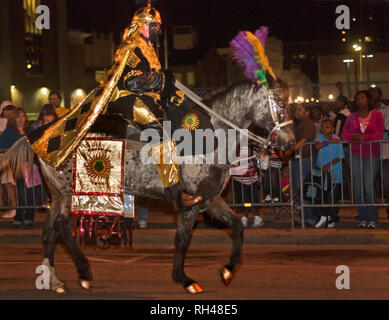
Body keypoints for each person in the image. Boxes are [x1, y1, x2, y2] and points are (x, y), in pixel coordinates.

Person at [342, 90, 384, 229]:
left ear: (368, 100)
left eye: (362, 98)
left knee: (368, 185)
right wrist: (353, 138)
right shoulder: (351, 117)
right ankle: (363, 216)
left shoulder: (377, 115)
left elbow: (379, 133)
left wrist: (364, 138)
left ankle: (372, 217)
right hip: (354, 153)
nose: (360, 100)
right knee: (357, 186)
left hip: (372, 154)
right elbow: (345, 134)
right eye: (357, 98)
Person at [285, 102, 317, 226]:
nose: (297, 112)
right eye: (296, 110)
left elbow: (304, 140)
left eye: (300, 110)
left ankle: (310, 217)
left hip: (305, 159)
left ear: (307, 112)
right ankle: (304, 215)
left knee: (303, 189)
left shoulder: (308, 124)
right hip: (299, 159)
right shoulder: (301, 124)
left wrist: (292, 150)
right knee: (299, 189)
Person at [314, 120, 344, 228]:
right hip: (321, 173)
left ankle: (332, 217)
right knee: (319, 196)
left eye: (327, 127)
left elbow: (340, 157)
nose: (324, 129)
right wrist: (328, 142)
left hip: (334, 173)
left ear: (332, 129)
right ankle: (324, 215)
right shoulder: (319, 137)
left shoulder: (337, 139)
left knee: (333, 198)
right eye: (323, 127)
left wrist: (328, 165)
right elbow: (317, 146)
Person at [230, 143, 264, 228]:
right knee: (246, 200)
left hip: (252, 179)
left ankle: (253, 217)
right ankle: (248, 217)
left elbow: (259, 158)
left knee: (252, 199)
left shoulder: (251, 148)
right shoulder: (232, 151)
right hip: (240, 180)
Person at [369, 86, 389, 216]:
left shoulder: (386, 110)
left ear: (380, 94)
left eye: (375, 92)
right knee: (369, 182)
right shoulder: (366, 111)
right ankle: (369, 210)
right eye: (371, 92)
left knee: (386, 182)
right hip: (368, 151)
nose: (373, 94)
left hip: (384, 150)